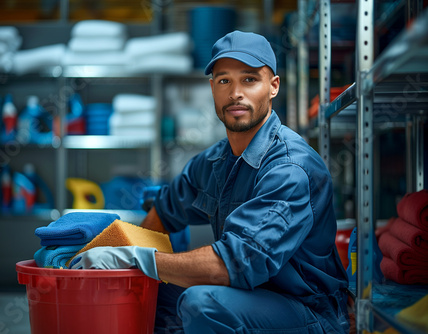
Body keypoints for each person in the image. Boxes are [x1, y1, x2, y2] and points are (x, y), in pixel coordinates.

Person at [70, 31, 350, 334]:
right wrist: (127, 260)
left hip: (307, 310)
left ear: (273, 87)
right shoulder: (215, 161)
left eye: (249, 79)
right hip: (250, 296)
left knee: (202, 303)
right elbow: (166, 209)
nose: (235, 94)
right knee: (151, 291)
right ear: (212, 88)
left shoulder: (290, 167)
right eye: (224, 80)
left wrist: (137, 258)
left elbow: (237, 262)